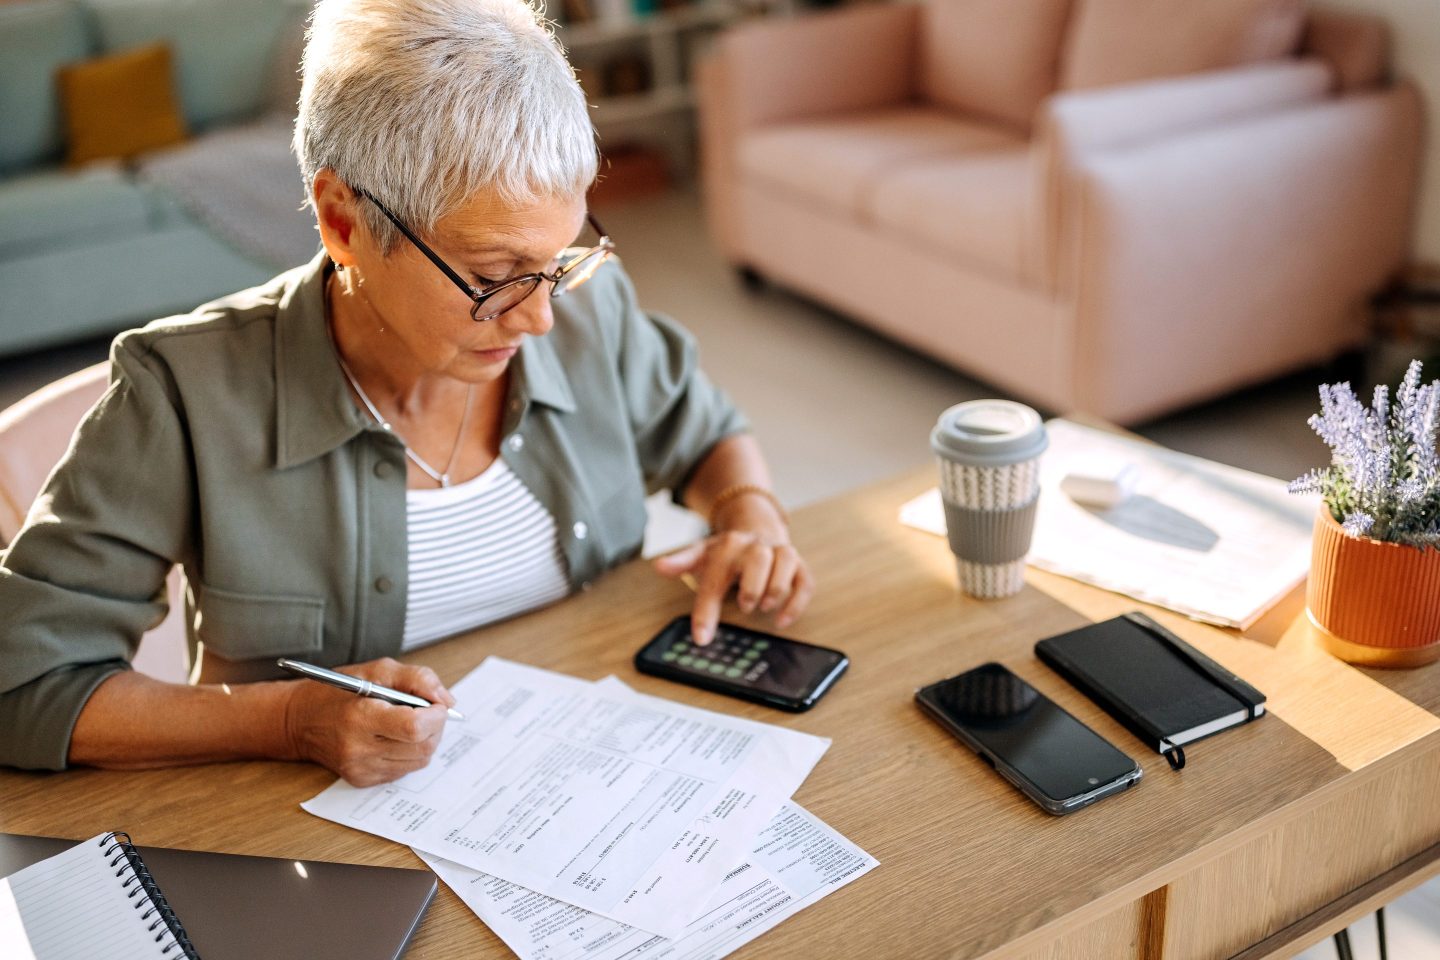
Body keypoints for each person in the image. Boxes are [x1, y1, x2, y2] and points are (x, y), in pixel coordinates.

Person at [0, 0, 810, 786]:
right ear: (342, 222)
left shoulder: (589, 309)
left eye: (559, 259)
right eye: (494, 277)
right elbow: (24, 687)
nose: (537, 318)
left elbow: (705, 433)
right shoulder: (182, 397)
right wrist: (288, 722)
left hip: (589, 792)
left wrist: (750, 513)